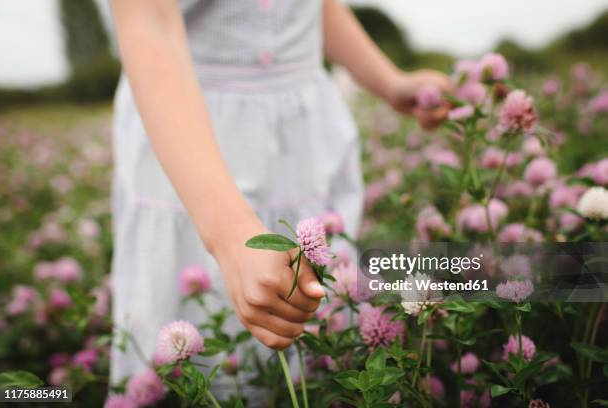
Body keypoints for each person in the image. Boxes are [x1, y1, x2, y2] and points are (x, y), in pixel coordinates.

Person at [108, 0, 450, 394]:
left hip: (302, 137)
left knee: (323, 343)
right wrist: (231, 234)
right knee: (200, 354)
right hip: (191, 143)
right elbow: (150, 25)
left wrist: (387, 80)